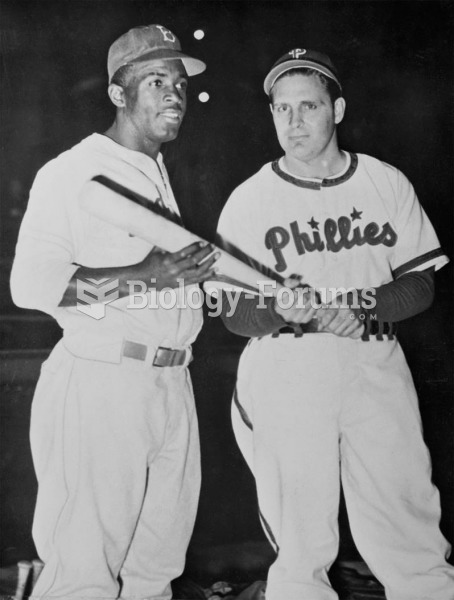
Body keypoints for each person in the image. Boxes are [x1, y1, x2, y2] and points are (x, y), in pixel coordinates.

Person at [215, 48, 454, 599]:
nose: (294, 123)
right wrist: (278, 308)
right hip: (288, 368)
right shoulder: (250, 199)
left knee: (408, 519)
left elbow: (420, 284)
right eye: (282, 109)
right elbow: (231, 311)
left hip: (373, 359)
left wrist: (367, 304)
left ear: (338, 109)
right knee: (299, 541)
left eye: (309, 106)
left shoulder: (384, 181)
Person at [10, 24, 219, 600]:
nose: (174, 93)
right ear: (118, 94)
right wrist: (145, 277)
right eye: (156, 80)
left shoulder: (156, 174)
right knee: (84, 572)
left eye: (178, 82)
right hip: (104, 381)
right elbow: (31, 286)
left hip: (172, 384)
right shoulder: (72, 171)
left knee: (154, 572)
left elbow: (170, 285)